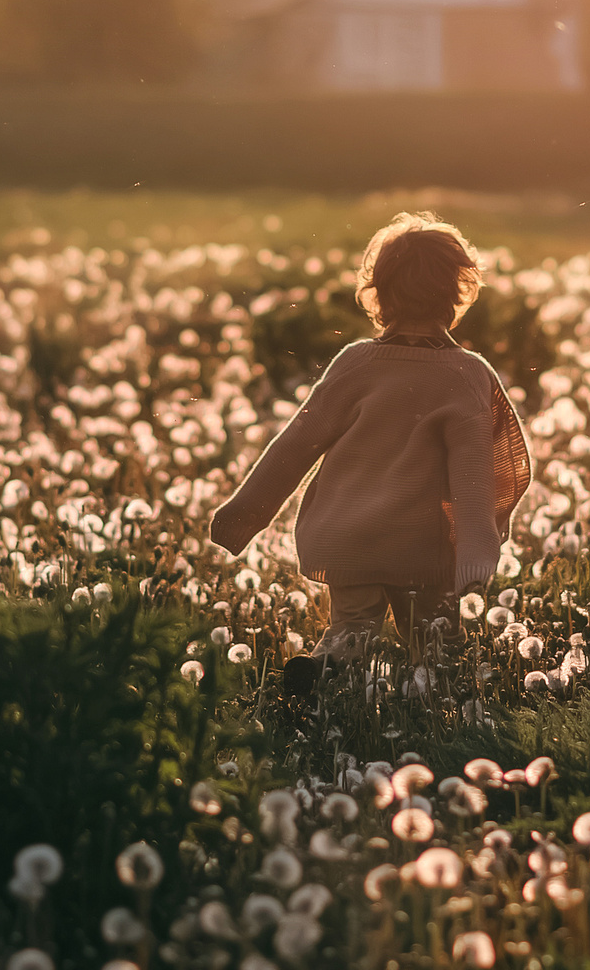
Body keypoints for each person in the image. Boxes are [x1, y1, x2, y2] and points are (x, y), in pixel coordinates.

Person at [209, 212, 532, 698]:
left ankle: (324, 674)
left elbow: (296, 444)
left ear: (376, 294)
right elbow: (475, 476)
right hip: (421, 545)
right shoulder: (467, 374)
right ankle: (434, 717)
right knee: (435, 643)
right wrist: (476, 551)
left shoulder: (355, 362)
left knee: (351, 629)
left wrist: (243, 515)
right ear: (460, 292)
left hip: (349, 535)